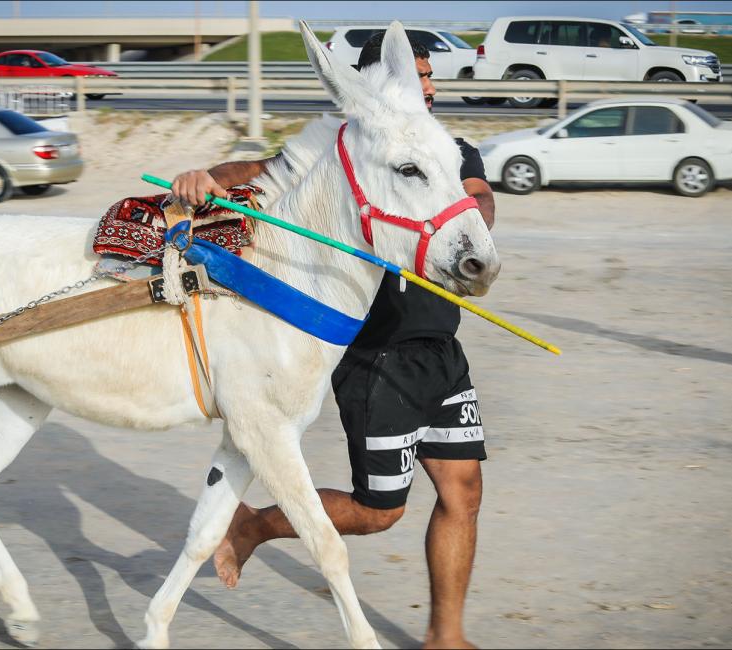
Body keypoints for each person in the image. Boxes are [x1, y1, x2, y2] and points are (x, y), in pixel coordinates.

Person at [171, 31, 495, 650]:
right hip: (376, 355)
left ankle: (444, 637)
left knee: (465, 489)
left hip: (440, 348)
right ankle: (257, 525)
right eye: (416, 74)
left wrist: (464, 216)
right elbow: (263, 173)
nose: (426, 86)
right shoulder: (351, 154)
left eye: (429, 76)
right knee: (381, 510)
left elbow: (478, 202)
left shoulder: (448, 151)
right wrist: (205, 175)